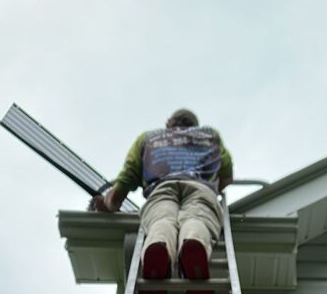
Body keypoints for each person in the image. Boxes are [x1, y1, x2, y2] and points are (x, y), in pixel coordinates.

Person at [92, 109, 233, 282]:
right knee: (197, 219)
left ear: (169, 123)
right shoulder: (210, 135)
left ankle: (158, 247)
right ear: (194, 125)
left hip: (160, 189)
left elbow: (126, 178)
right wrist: (214, 190)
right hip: (200, 187)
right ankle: (194, 243)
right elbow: (227, 176)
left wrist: (108, 204)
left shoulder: (148, 139)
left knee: (162, 221)